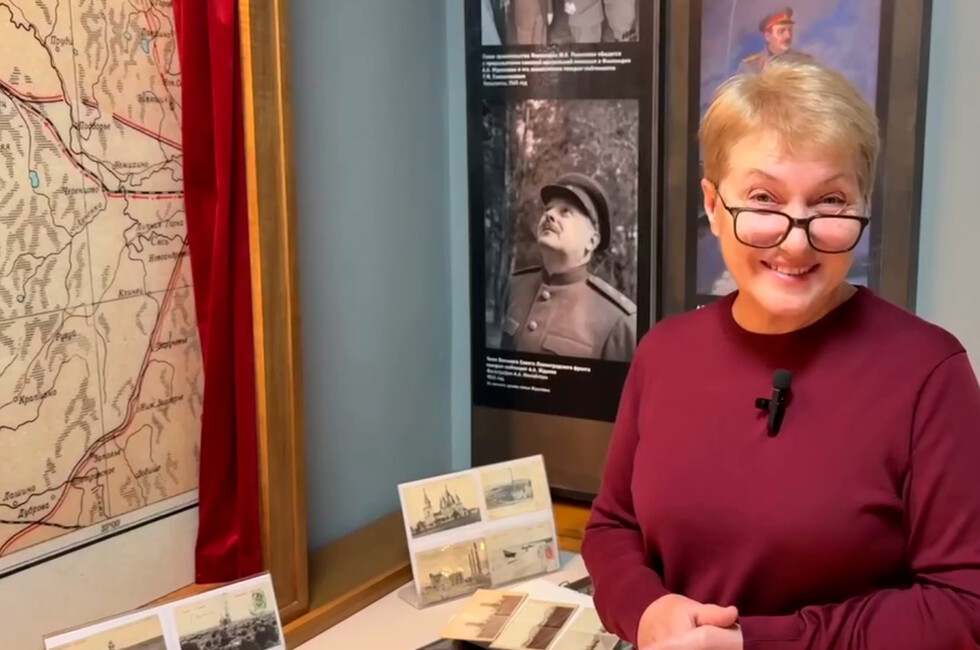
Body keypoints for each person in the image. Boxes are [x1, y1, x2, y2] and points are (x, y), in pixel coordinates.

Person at [581, 57, 980, 649]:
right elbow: (613, 527)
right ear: (713, 206)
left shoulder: (929, 374)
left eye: (831, 201)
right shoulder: (664, 353)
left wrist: (751, 643)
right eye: (764, 198)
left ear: (863, 206)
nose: (796, 240)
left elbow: (963, 605)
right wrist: (647, 611)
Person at [500, 172, 636, 362]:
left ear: (591, 241)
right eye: (548, 209)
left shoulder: (619, 322)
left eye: (565, 211)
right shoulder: (515, 286)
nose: (549, 215)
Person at [737, 7, 811, 74]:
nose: (788, 36)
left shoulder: (803, 62)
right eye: (781, 31)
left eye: (790, 30)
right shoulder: (751, 67)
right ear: (767, 36)